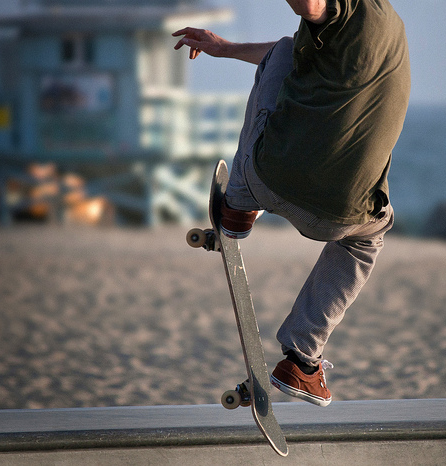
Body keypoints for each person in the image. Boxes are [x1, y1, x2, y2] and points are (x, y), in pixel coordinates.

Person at [173, 0, 410, 407]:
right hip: (347, 215)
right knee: (367, 240)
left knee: (281, 52)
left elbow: (311, 6)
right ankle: (303, 359)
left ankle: (239, 205)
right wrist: (226, 48)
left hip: (270, 180)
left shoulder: (354, 7)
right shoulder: (383, 28)